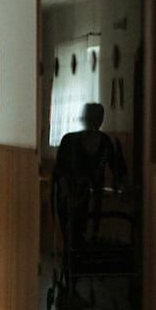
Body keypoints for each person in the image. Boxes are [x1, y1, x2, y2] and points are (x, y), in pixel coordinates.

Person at [52, 102, 128, 251]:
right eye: (91, 117)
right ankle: (72, 269)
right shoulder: (69, 141)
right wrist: (66, 191)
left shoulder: (106, 142)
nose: (95, 121)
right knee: (72, 238)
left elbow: (118, 170)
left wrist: (123, 186)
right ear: (85, 118)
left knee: (90, 237)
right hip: (70, 198)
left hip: (94, 198)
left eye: (98, 117)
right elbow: (60, 171)